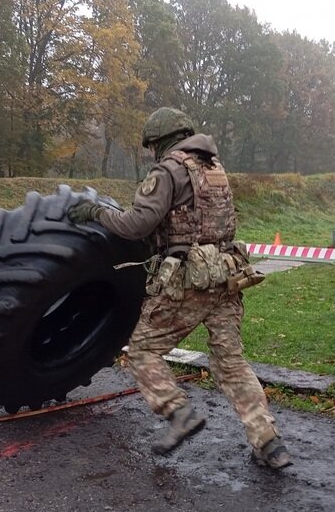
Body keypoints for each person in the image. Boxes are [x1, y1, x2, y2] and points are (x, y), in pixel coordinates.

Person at [68, 107, 290, 469]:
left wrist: (96, 213)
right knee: (231, 362)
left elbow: (136, 224)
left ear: (161, 141)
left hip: (189, 281)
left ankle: (179, 413)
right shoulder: (215, 169)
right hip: (227, 278)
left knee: (142, 352)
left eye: (152, 146)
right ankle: (268, 441)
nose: (152, 153)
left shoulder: (167, 171)